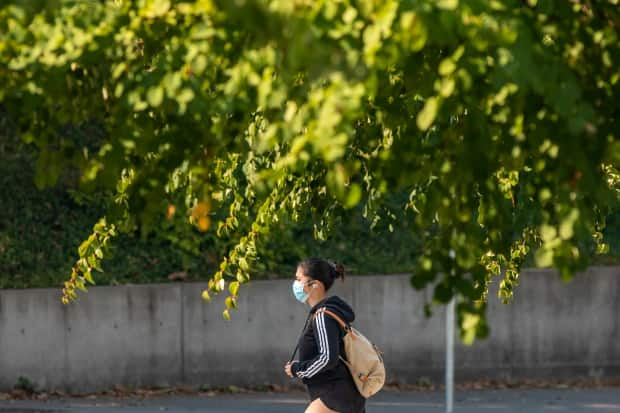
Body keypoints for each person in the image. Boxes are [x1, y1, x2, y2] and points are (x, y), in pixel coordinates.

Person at [284, 258, 366, 413]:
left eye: (299, 279)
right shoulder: (325, 313)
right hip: (341, 394)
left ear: (315, 284)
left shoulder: (323, 315)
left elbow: (328, 357)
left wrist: (298, 369)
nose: (295, 284)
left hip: (336, 394)